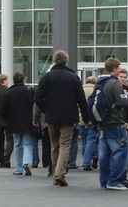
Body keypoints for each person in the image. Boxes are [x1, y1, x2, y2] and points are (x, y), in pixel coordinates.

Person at [35, 50, 89, 187]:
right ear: (66, 61)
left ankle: (55, 175)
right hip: (69, 117)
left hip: (51, 117)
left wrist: (45, 109)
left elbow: (38, 97)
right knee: (65, 145)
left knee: (55, 146)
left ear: (54, 60)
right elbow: (81, 99)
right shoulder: (73, 77)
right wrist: (86, 118)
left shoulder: (46, 77)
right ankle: (60, 173)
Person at [95, 57, 128, 190]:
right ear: (115, 69)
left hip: (102, 123)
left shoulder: (99, 82)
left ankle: (104, 181)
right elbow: (122, 102)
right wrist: (125, 96)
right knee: (121, 151)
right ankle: (114, 181)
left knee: (104, 154)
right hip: (115, 123)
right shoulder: (114, 84)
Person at [0, 72, 35, 176]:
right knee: (27, 144)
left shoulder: (9, 92)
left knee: (17, 145)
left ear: (14, 81)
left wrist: (8, 120)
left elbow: (2, 110)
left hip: (14, 123)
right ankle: (26, 163)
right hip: (27, 122)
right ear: (23, 80)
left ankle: (18, 168)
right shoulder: (30, 91)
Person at [81, 76, 98, 171]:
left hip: (81, 120)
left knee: (84, 140)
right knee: (92, 140)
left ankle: (85, 159)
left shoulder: (81, 90)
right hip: (91, 119)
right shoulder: (96, 91)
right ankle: (88, 161)